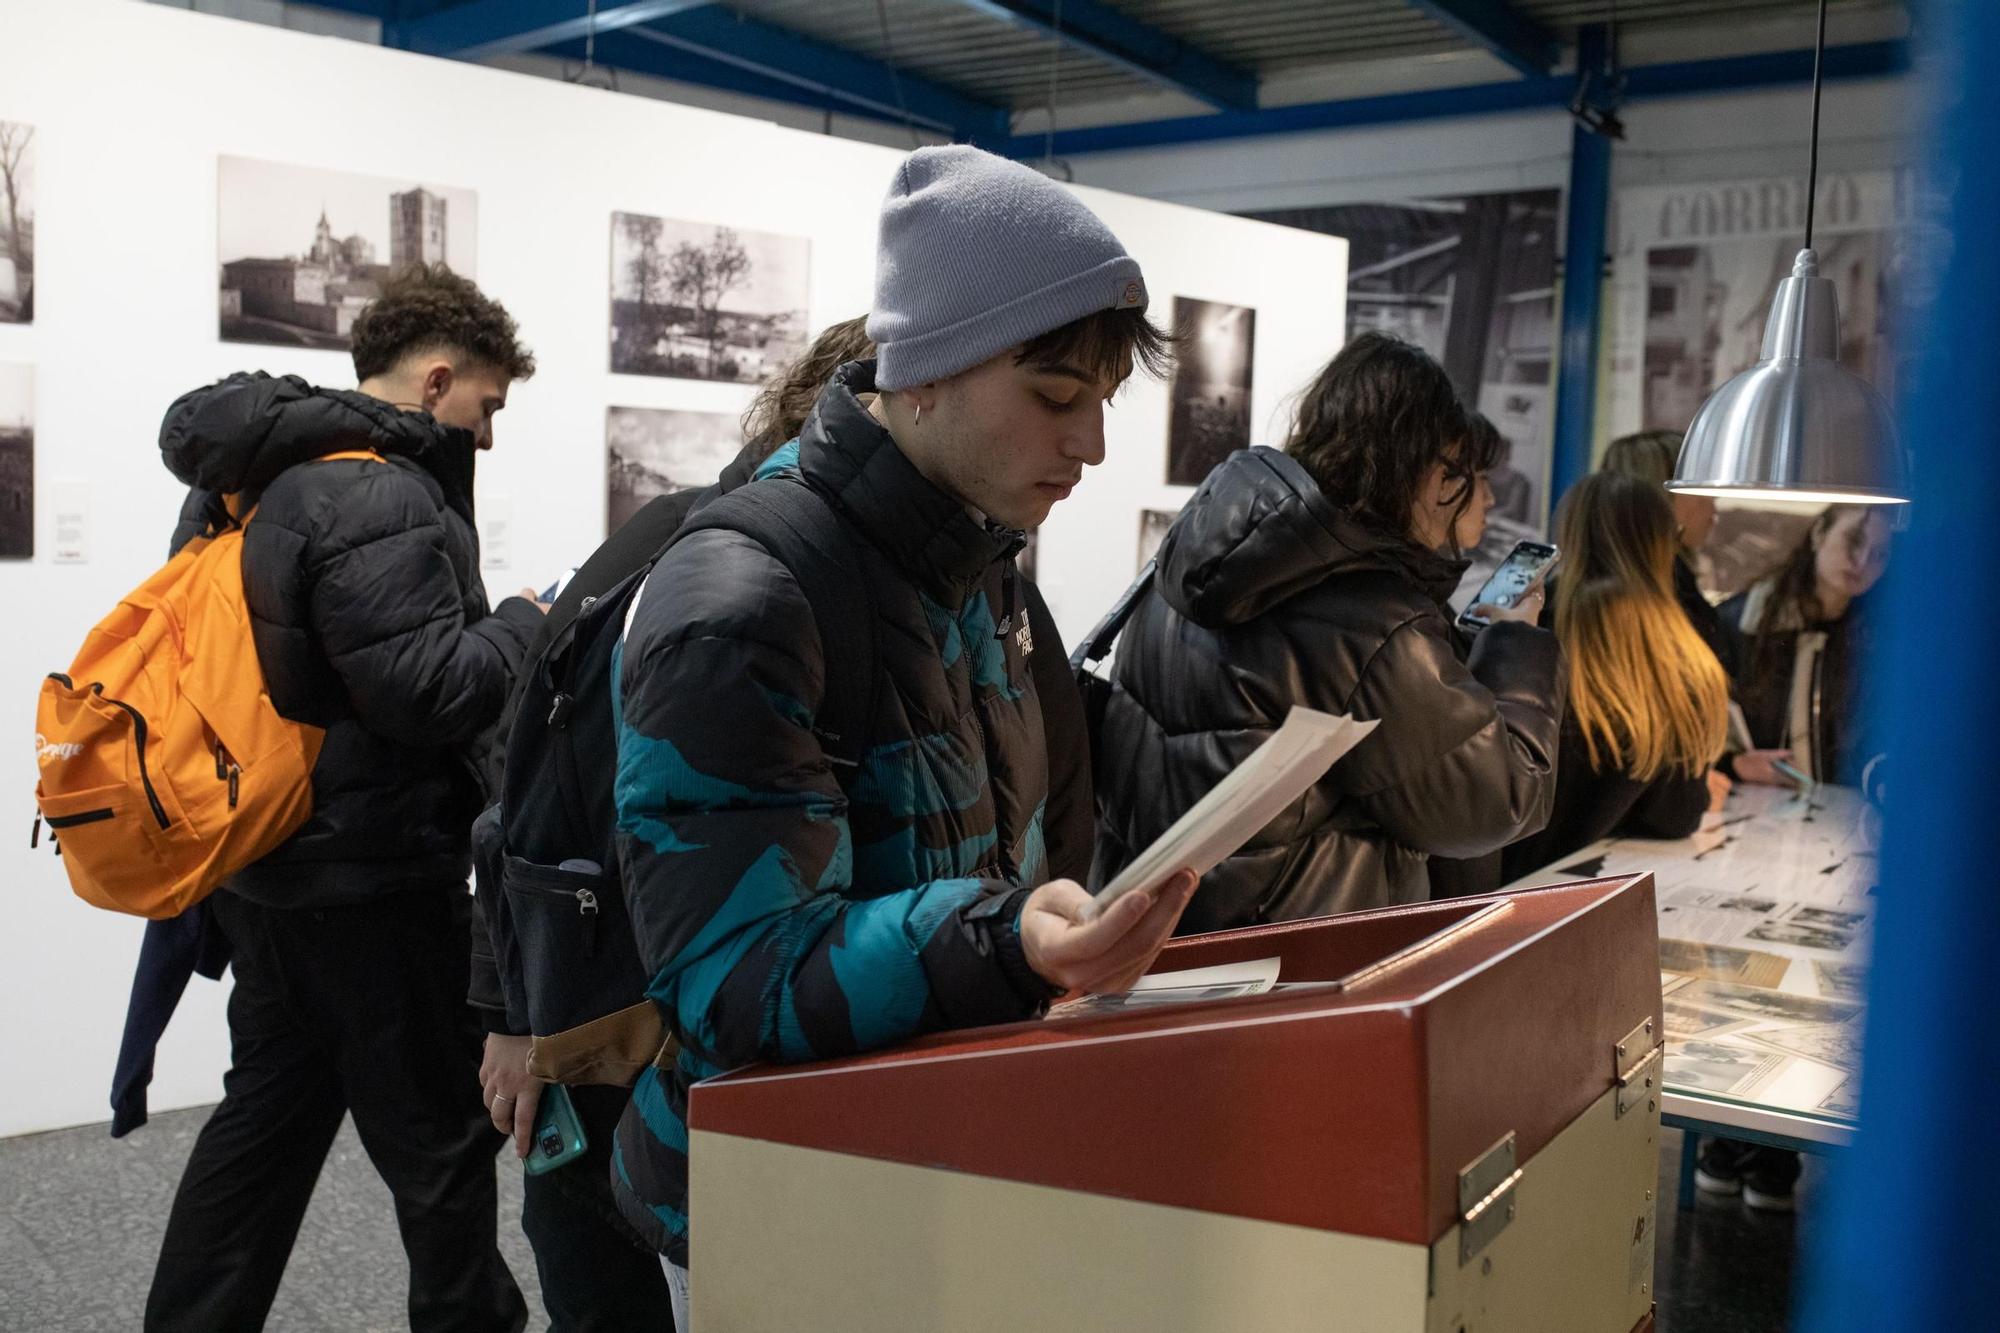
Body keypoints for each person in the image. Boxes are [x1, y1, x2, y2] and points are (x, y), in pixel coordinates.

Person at [609, 145, 1198, 1325]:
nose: (1087, 446)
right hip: (788, 1205)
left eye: (1100, 404)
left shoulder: (976, 572)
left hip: (930, 1168)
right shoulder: (740, 597)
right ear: (923, 371)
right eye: (1053, 397)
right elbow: (730, 980)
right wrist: (1004, 940)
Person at [145, 265, 542, 1333]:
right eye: (487, 407)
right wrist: (521, 619)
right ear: (439, 379)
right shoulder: (379, 489)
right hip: (372, 880)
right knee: (444, 1148)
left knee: (261, 1135)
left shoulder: (248, 476)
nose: (488, 436)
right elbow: (428, 692)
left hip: (264, 865)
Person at [1093, 331, 1565, 932]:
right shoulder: (1370, 617)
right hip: (1294, 966)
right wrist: (1518, 643)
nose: (1482, 495)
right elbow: (1499, 800)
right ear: (1421, 468)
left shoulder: (1197, 561)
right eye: (1464, 472)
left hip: (1157, 940)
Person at [1498, 473, 1731, 881]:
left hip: (1509, 882)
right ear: (1664, 544)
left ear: (1568, 536)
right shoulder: (1686, 658)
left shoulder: (1534, 640)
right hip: (1599, 887)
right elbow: (1676, 816)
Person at [1718, 504, 1891, 788]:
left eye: (1879, 554)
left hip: (1843, 816)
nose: (1862, 561)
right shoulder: (1740, 623)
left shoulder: (1880, 640)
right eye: (1854, 540)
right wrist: (1734, 763)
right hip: (1755, 810)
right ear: (1819, 533)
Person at [1598, 428, 1735, 675]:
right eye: (1696, 485)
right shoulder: (1628, 602)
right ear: (1659, 495)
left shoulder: (1676, 586)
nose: (1712, 498)